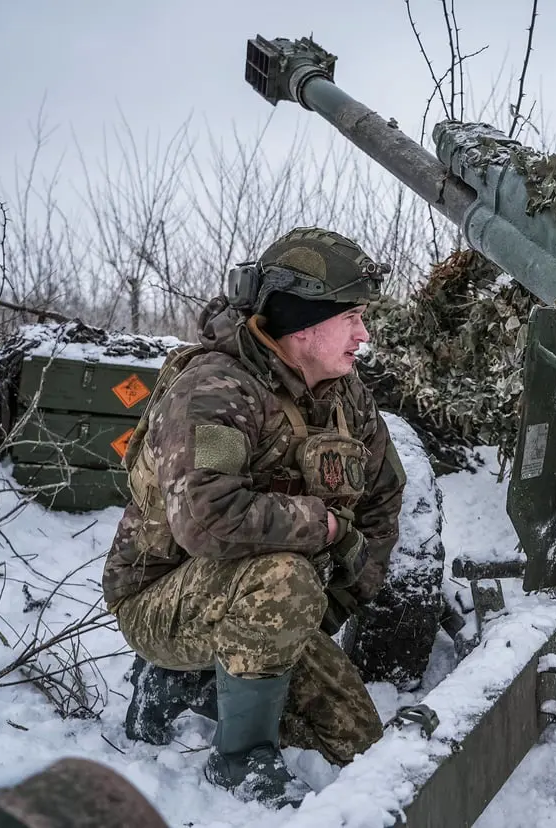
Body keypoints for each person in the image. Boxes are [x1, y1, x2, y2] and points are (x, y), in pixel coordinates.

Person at [100, 226, 407, 809]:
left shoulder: (345, 394)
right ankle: (238, 756)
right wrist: (328, 529)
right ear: (302, 320)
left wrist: (336, 600)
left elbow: (383, 495)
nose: (363, 335)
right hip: (159, 599)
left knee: (358, 745)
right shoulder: (214, 390)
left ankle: (213, 676)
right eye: (352, 318)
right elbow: (208, 519)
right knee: (284, 577)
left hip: (270, 600)